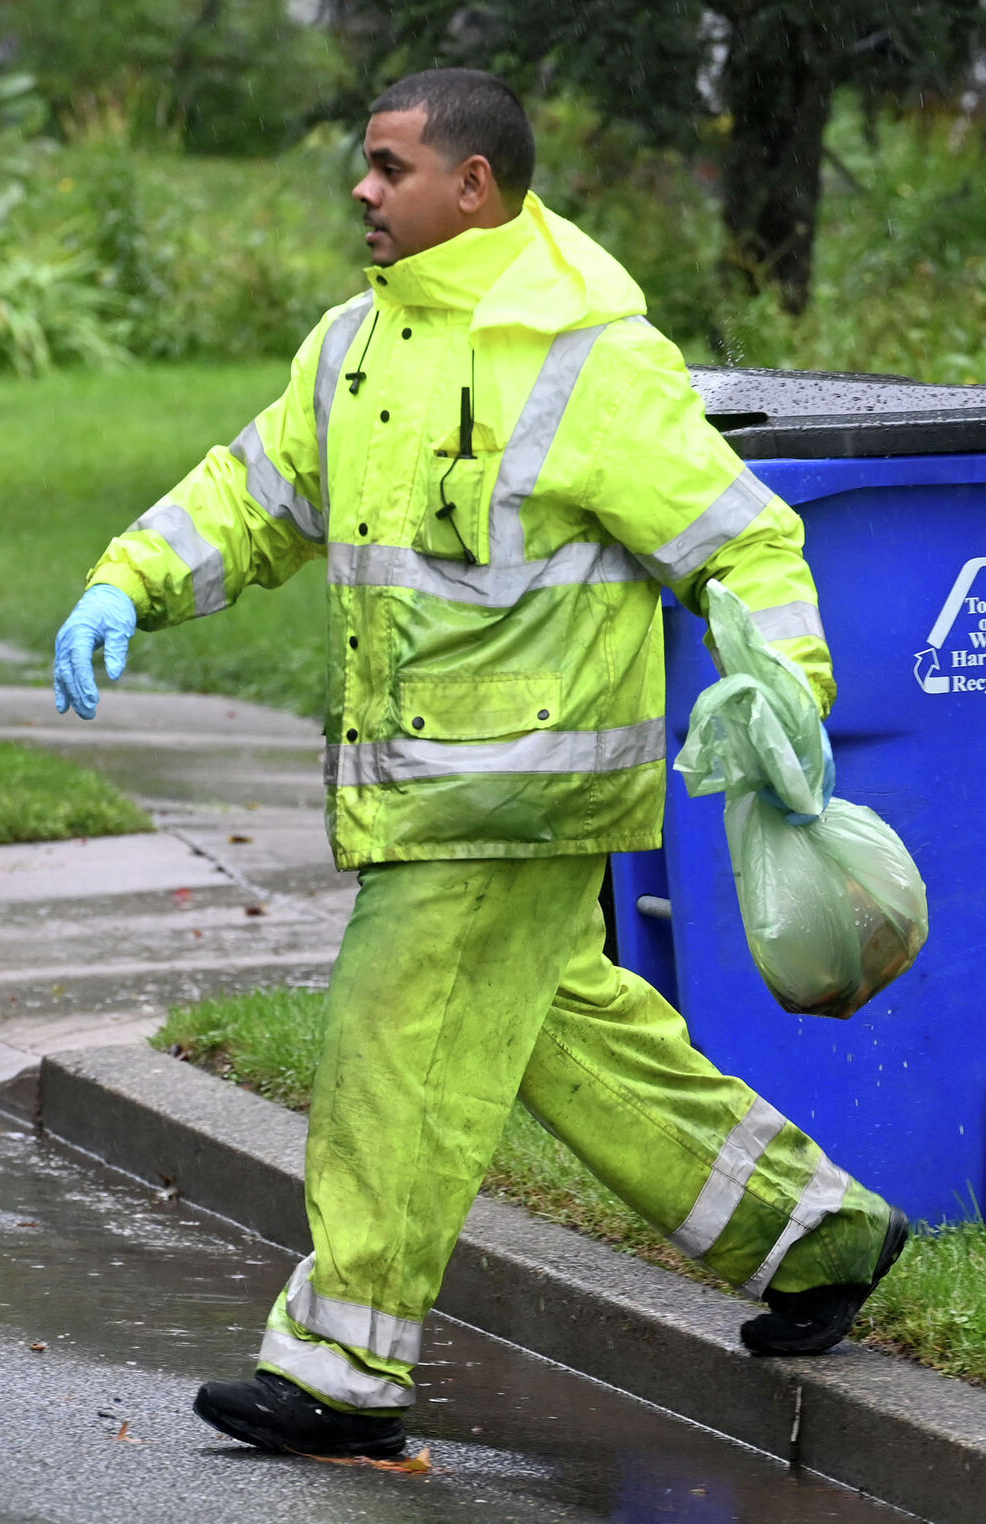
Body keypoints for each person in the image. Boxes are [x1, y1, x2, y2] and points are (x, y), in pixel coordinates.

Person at [51, 67, 906, 1460]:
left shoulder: (588, 358)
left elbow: (742, 541)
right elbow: (259, 494)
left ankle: (341, 1362)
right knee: (564, 1038)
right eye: (364, 168)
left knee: (392, 1044)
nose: (363, 191)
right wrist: (127, 582)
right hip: (431, 790)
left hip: (517, 796)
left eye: (389, 169)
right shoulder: (357, 348)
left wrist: (786, 694)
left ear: (475, 188)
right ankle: (816, 1233)